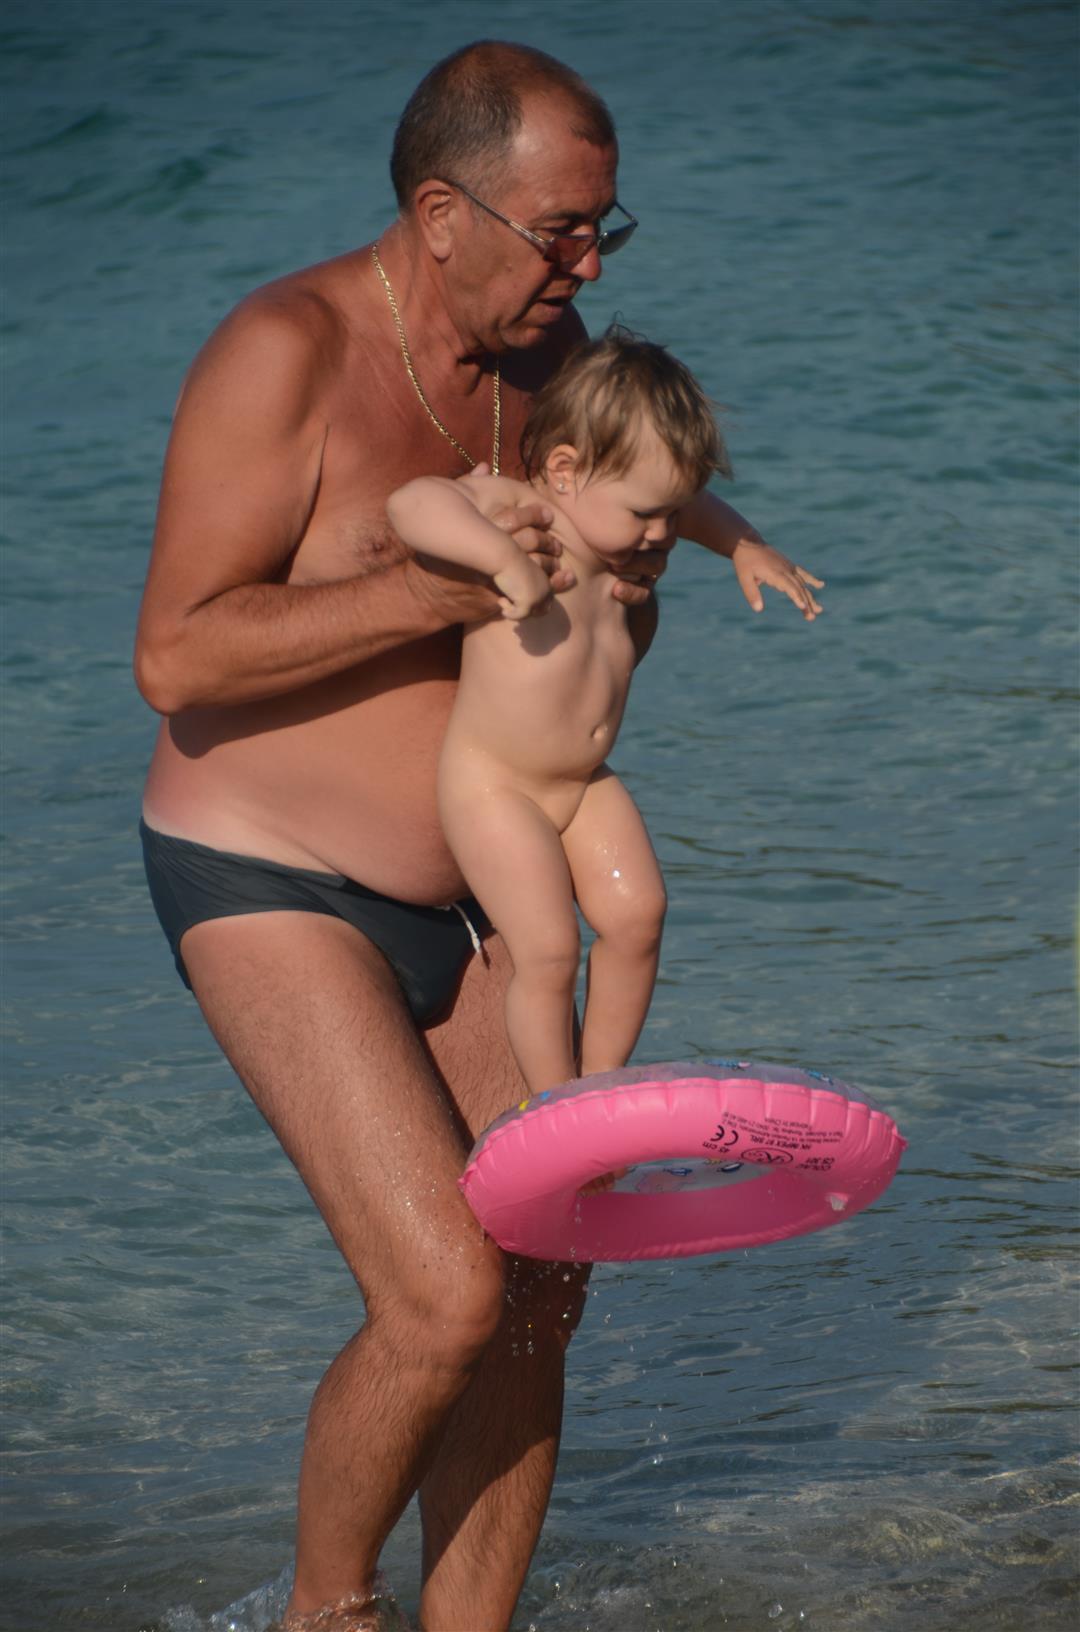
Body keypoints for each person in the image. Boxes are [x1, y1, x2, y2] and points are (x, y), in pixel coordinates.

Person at [133, 39, 823, 1632]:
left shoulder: (551, 363)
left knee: (540, 1281)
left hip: (473, 893)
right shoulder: (287, 351)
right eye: (559, 231)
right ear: (444, 215)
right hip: (265, 872)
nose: (587, 267)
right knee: (445, 1294)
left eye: (605, 229)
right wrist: (423, 592)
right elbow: (176, 655)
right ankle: (329, 1612)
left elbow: (619, 550)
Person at [387, 328, 734, 1103]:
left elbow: (693, 507)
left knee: (640, 915)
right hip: (496, 786)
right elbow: (414, 503)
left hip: (584, 780)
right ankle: (556, 1103)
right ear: (566, 472)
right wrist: (502, 560)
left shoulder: (627, 543)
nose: (663, 534)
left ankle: (600, 1089)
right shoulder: (528, 513)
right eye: (646, 514)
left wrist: (745, 548)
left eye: (672, 515)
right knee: (547, 952)